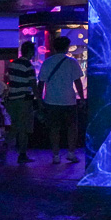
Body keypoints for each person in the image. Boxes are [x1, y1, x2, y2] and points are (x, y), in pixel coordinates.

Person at [37, 36, 84, 164]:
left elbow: (41, 83)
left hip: (51, 100)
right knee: (71, 128)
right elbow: (78, 81)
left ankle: (56, 155)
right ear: (67, 47)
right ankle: (71, 153)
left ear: (53, 47)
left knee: (54, 128)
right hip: (69, 100)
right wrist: (82, 97)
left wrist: (39, 100)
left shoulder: (47, 62)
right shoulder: (72, 62)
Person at [0, 41, 38, 164]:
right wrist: (39, 99)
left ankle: (6, 144)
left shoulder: (13, 64)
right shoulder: (28, 65)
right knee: (24, 128)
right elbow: (33, 84)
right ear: (31, 52)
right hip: (24, 100)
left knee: (15, 125)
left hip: (12, 100)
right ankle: (22, 154)